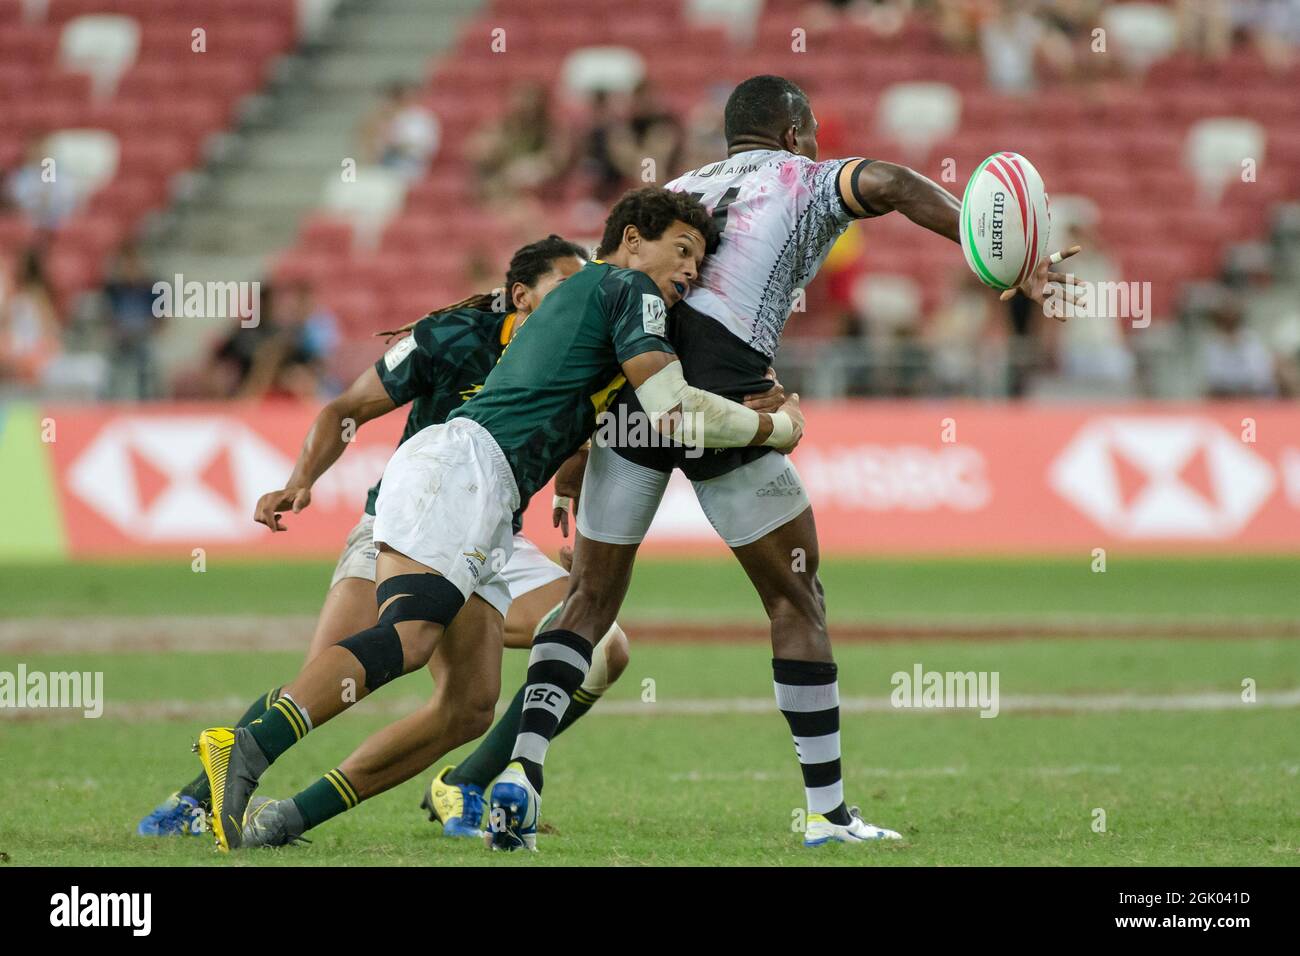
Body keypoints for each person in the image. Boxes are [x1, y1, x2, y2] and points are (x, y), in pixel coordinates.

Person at [488, 74, 1082, 851]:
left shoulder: (675, 189)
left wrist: (575, 449)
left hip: (634, 383)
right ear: (797, 132)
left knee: (589, 602)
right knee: (795, 602)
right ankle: (827, 813)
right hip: (727, 393)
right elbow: (898, 183)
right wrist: (1002, 260)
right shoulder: (805, 178)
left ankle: (521, 772)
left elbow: (605, 299)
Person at [194, 187, 804, 852]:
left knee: (469, 705)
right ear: (631, 240)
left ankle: (288, 819)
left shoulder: (597, 300)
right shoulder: (630, 289)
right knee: (409, 638)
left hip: (490, 498)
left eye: (701, 259)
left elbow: (601, 412)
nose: (691, 269)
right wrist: (777, 426)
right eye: (681, 250)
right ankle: (244, 748)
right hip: (466, 466)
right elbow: (672, 412)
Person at [135, 235, 628, 839]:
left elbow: (582, 445)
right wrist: (301, 481)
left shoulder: (580, 355)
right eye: (563, 287)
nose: (578, 299)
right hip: (408, 520)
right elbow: (347, 407)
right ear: (521, 296)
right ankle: (198, 795)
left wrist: (568, 501)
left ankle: (458, 786)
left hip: (491, 532)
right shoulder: (453, 338)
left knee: (493, 693)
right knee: (338, 669)